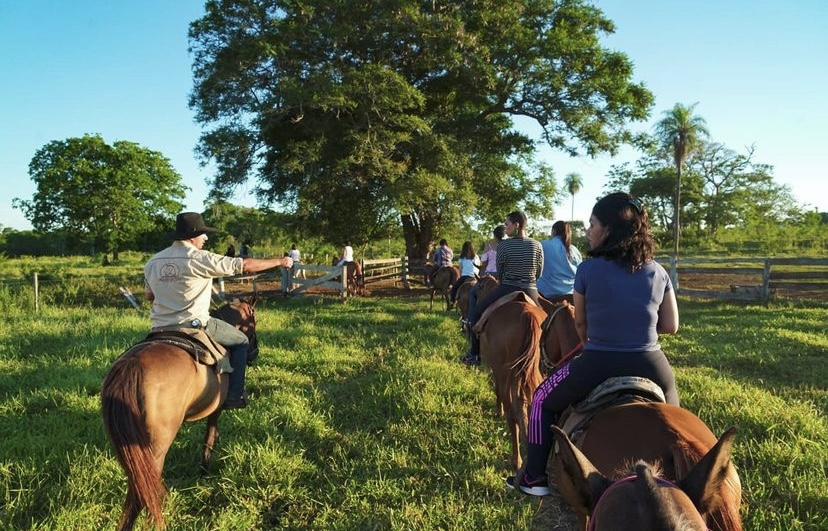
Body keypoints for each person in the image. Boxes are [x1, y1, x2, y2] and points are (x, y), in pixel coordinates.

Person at [507, 192, 680, 496]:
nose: (588, 230)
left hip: (598, 360)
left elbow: (581, 324)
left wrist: (596, 337)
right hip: (653, 363)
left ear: (608, 229)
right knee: (678, 423)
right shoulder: (659, 271)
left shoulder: (587, 269)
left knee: (540, 400)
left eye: (592, 224)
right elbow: (671, 326)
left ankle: (534, 477)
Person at [143, 212, 294, 410]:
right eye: (203, 234)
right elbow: (245, 265)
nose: (205, 238)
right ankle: (234, 395)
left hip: (159, 328)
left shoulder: (153, 261)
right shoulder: (200, 258)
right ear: (192, 236)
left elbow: (149, 296)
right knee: (241, 341)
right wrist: (281, 262)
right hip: (194, 324)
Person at [461, 211, 543, 365]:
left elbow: (501, 271)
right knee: (549, 320)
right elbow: (539, 273)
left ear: (516, 225)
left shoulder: (505, 245)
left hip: (507, 288)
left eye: (507, 224)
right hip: (531, 290)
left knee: (477, 313)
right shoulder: (537, 245)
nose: (505, 228)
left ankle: (474, 354)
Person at [537, 221, 582, 303]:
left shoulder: (544, 245)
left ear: (553, 231)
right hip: (570, 296)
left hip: (546, 295)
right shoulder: (575, 251)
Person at [449, 241, 481, 306]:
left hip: (465, 276)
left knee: (454, 288)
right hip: (475, 276)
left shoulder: (462, 258)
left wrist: (461, 276)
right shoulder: (476, 256)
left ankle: (453, 302)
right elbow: (479, 266)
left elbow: (460, 269)